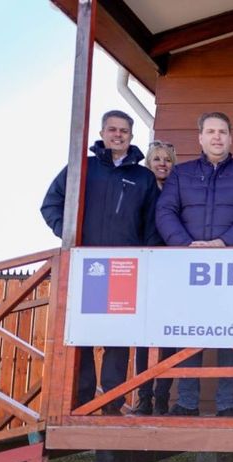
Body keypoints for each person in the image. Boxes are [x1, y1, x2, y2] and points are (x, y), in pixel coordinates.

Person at [40, 110, 160, 415]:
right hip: (86, 266)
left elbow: (152, 224)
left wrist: (146, 259)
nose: (117, 135)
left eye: (123, 131)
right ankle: (80, 402)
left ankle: (112, 402)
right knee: (81, 335)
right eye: (112, 130)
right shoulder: (83, 168)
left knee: (118, 339)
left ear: (131, 137)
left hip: (125, 268)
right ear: (103, 133)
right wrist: (68, 234)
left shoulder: (142, 176)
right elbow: (51, 203)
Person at [156, 111, 233, 417]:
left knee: (231, 336)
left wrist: (225, 243)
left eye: (222, 132)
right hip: (189, 268)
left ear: (231, 138)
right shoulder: (182, 174)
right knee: (189, 333)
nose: (217, 137)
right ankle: (187, 402)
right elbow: (165, 211)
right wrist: (184, 246)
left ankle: (226, 404)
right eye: (211, 131)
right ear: (200, 138)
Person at [132, 140, 177, 415]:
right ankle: (144, 395)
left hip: (172, 270)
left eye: (167, 159)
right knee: (145, 336)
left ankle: (162, 396)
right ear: (149, 162)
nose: (162, 163)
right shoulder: (140, 190)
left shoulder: (178, 192)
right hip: (146, 268)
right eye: (157, 159)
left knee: (169, 337)